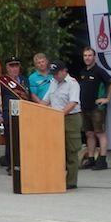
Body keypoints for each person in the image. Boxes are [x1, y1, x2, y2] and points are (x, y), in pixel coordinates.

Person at [41, 60, 82, 190]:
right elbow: (46, 100)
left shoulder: (72, 84)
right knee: (57, 150)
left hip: (70, 118)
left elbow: (73, 102)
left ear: (64, 71)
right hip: (55, 118)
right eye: (53, 74)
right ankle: (57, 178)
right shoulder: (53, 82)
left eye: (57, 73)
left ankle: (71, 181)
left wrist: (60, 114)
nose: (55, 76)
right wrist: (35, 109)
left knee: (71, 150)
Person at [77, 47, 111, 171]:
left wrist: (107, 98)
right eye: (85, 55)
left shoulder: (99, 71)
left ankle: (102, 160)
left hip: (96, 108)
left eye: (89, 55)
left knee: (100, 133)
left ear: (94, 57)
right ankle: (91, 159)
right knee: (89, 134)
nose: (87, 58)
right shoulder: (83, 72)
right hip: (85, 107)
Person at [0, 56, 29, 172]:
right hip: (8, 113)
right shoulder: (2, 81)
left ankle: (22, 162)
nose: (14, 69)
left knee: (22, 139)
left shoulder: (24, 80)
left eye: (16, 66)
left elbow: (28, 96)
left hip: (24, 113)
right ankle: (11, 164)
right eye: (12, 66)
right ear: (7, 68)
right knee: (11, 140)